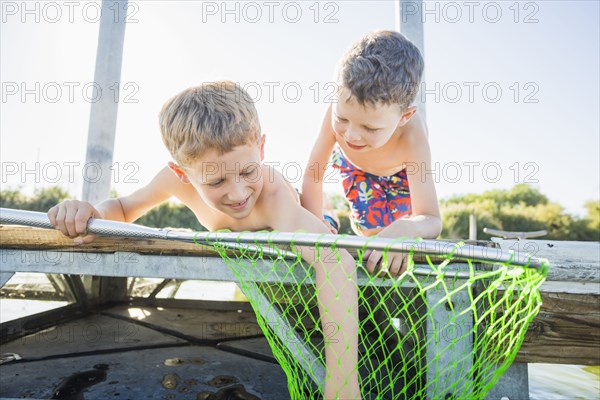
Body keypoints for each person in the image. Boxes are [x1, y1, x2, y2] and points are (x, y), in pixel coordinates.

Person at [48, 81, 360, 400]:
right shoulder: (174, 180)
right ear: (182, 173)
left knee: (323, 227)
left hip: (290, 226)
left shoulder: (275, 199)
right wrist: (90, 213)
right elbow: (125, 209)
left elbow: (335, 259)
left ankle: (330, 216)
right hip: (242, 246)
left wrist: (343, 382)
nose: (237, 193)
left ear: (262, 149)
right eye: (216, 181)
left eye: (248, 171)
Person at [301, 30, 442, 277]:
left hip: (400, 176)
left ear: (404, 116)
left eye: (370, 127)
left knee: (388, 236)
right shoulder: (334, 112)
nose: (351, 135)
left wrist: (404, 230)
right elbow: (313, 176)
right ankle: (328, 214)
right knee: (370, 231)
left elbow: (431, 218)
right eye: (342, 118)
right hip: (355, 166)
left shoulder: (413, 137)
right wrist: (315, 229)